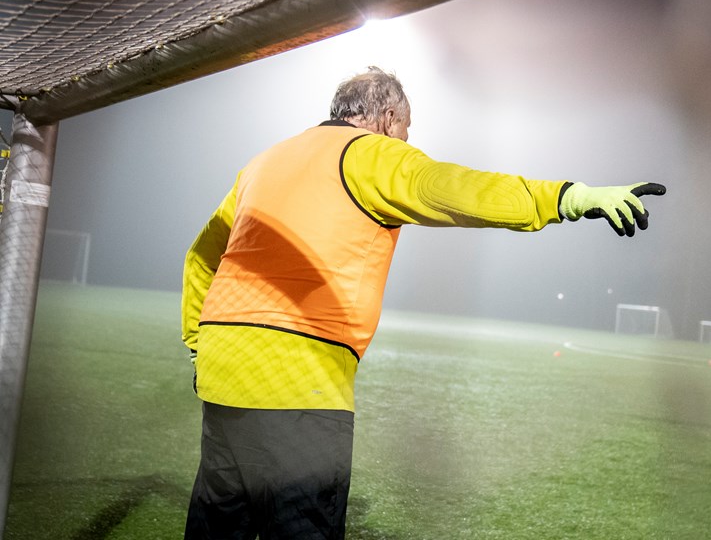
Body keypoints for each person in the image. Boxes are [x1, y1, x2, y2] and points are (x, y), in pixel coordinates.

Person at [180, 66, 666, 539]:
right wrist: (569, 197)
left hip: (224, 372)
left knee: (220, 526)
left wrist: (199, 342)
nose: (408, 143)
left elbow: (203, 254)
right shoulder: (372, 154)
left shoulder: (265, 161)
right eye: (407, 130)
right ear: (389, 119)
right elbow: (461, 190)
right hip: (300, 376)